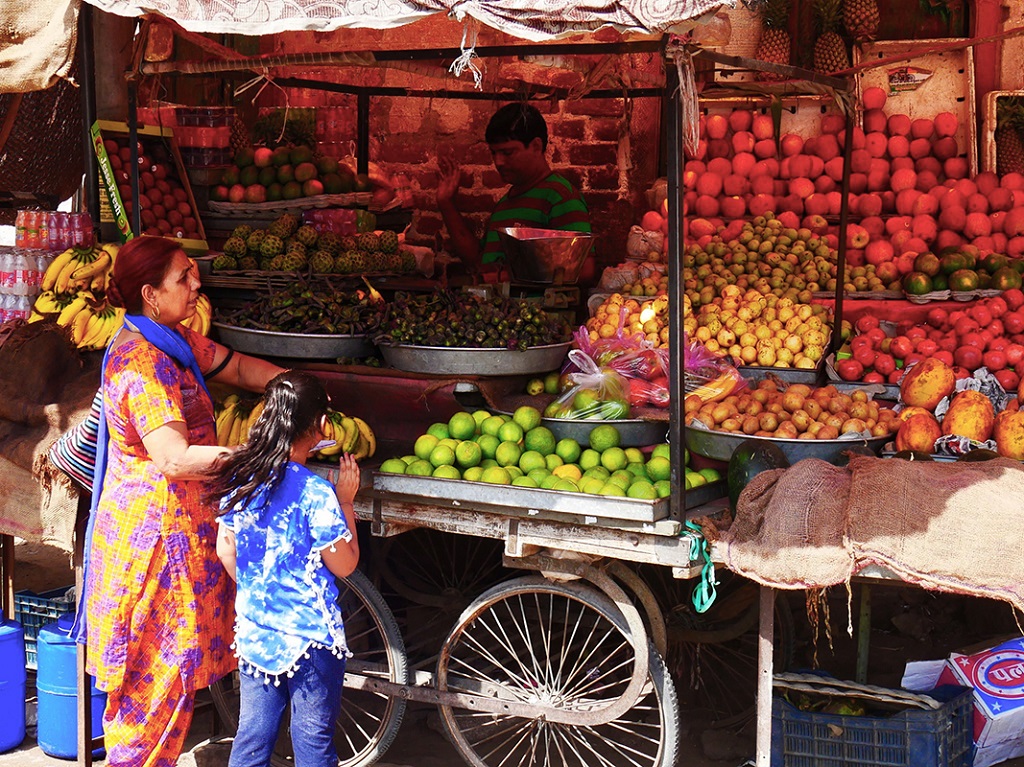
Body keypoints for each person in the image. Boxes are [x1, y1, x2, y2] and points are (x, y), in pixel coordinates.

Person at [82, 235, 286, 767]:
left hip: (184, 536)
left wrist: (291, 387)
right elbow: (173, 457)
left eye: (194, 273)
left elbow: (237, 367)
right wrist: (256, 453)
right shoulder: (142, 362)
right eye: (183, 278)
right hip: (154, 549)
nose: (196, 285)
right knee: (154, 692)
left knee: (172, 681)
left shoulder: (174, 339)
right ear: (150, 293)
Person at [205, 370, 360, 767]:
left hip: (257, 633)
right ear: (321, 427)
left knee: (252, 740)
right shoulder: (316, 493)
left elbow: (226, 548)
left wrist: (261, 588)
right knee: (312, 741)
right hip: (311, 638)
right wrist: (346, 503)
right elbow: (344, 564)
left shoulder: (241, 478)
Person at [437, 102, 593, 280]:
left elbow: (584, 269)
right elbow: (479, 262)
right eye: (494, 153)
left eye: (508, 152)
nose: (498, 162)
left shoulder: (560, 197)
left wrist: (499, 278)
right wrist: (446, 203)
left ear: (536, 146)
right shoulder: (505, 203)